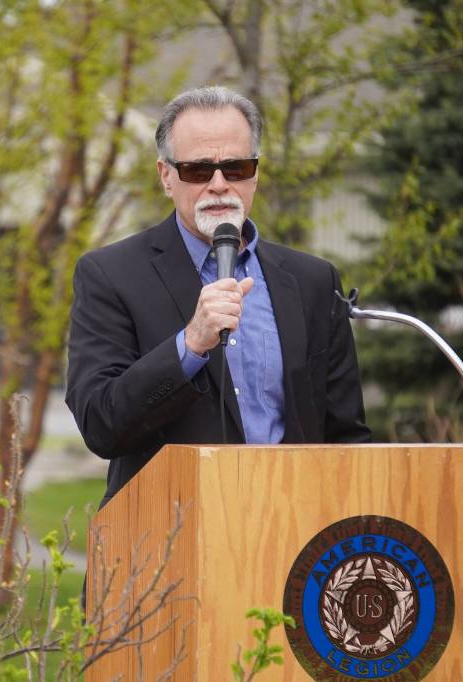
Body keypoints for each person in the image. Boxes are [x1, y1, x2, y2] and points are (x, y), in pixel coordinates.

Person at [65, 85, 370, 509]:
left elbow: (346, 435)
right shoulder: (110, 275)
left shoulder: (312, 281)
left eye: (236, 167)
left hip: (293, 534)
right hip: (169, 539)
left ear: (256, 173)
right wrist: (189, 344)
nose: (219, 184)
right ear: (166, 176)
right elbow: (101, 424)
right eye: (197, 170)